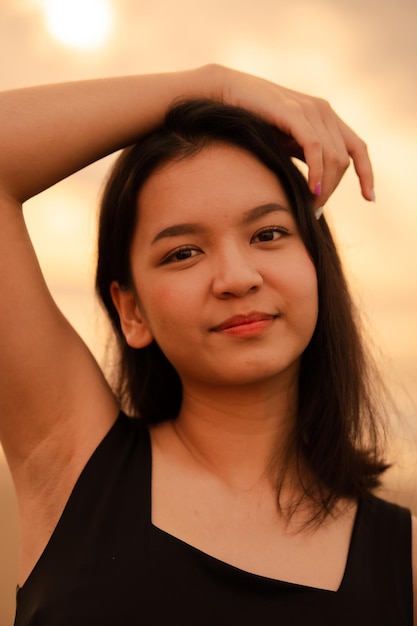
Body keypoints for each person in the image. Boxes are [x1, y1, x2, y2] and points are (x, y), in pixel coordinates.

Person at [0, 64, 414, 624]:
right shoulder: (74, 467)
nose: (237, 277)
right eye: (183, 253)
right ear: (132, 310)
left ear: (316, 267)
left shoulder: (404, 563)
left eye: (268, 234)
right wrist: (211, 85)